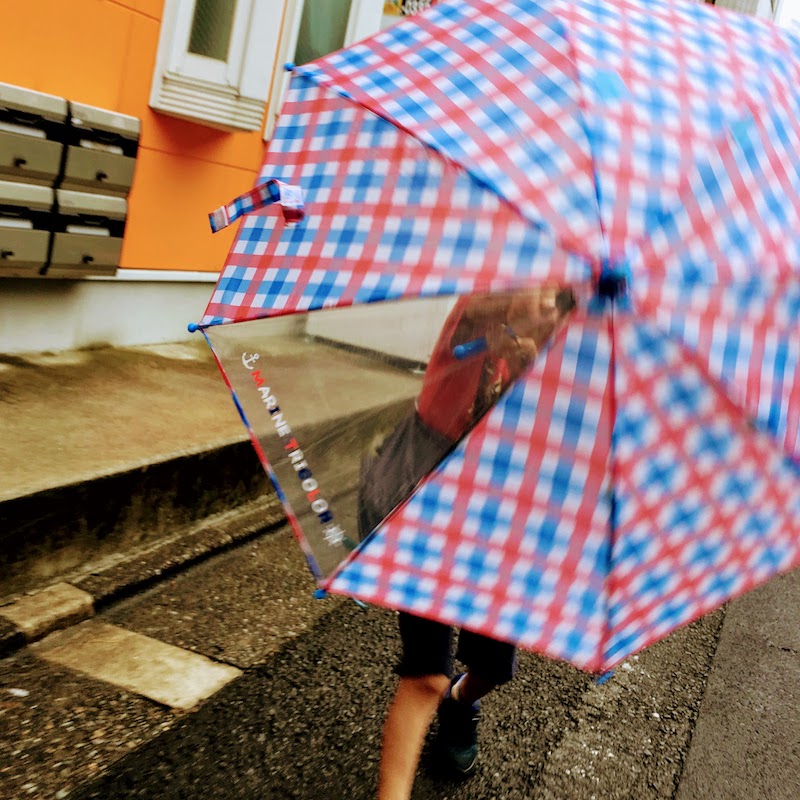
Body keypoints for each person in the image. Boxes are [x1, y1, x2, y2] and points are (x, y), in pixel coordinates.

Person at [356, 285, 575, 800]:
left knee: (494, 667)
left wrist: (532, 369)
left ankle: (461, 702)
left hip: (500, 520)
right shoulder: (472, 329)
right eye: (540, 284)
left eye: (562, 299)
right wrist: (505, 337)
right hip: (428, 501)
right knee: (425, 675)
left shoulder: (552, 370)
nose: (548, 301)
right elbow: (479, 309)